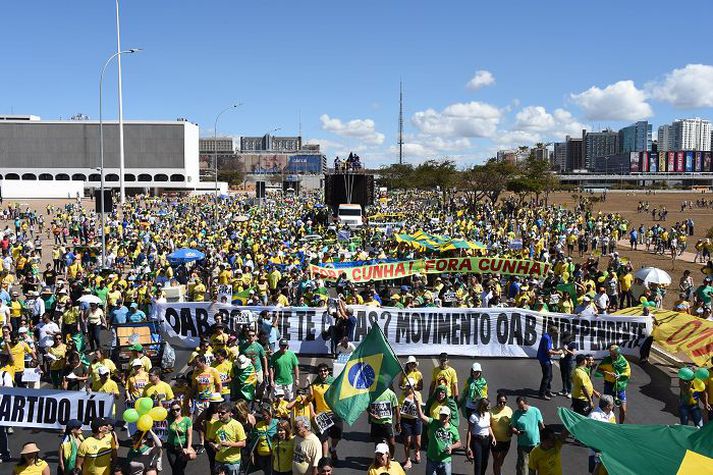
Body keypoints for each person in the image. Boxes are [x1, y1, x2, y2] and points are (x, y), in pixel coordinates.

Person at [415, 401, 461, 475]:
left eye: (445, 415)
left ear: (449, 416)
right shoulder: (433, 423)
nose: (443, 417)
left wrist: (451, 447)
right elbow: (421, 416)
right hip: (432, 460)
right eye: (442, 415)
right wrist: (417, 403)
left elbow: (459, 443)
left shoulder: (453, 429)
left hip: (446, 461)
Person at [310, 363, 342, 461]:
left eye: (325, 370)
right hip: (321, 415)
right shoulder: (314, 385)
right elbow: (310, 401)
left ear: (328, 371)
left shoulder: (334, 383)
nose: (323, 372)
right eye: (320, 371)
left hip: (334, 413)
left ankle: (332, 449)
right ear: (318, 373)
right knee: (323, 438)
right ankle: (325, 460)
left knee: (337, 436)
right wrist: (312, 413)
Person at [595, 344, 630, 423]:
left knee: (623, 410)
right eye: (610, 354)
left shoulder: (623, 361)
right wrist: (607, 373)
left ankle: (620, 426)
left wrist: (619, 375)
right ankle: (611, 424)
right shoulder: (606, 360)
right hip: (609, 385)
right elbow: (598, 370)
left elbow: (628, 372)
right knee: (609, 409)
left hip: (619, 387)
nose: (612, 356)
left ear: (618, 353)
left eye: (613, 354)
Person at [208, 402, 247, 475]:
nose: (219, 415)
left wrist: (229, 444)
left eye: (222, 413)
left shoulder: (237, 425)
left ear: (230, 413)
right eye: (218, 412)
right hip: (219, 460)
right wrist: (213, 446)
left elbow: (243, 443)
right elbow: (210, 440)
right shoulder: (215, 424)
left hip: (233, 462)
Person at [510, 397, 544, 475]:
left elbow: (541, 425)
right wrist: (517, 432)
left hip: (535, 444)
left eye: (522, 406)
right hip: (523, 445)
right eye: (519, 406)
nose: (520, 408)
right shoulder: (516, 414)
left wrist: (545, 437)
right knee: (523, 467)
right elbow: (512, 427)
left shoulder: (535, 411)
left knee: (533, 467)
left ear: (526, 403)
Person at [465, 398, 496, 475]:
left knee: (485, 463)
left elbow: (488, 427)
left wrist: (493, 437)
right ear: (482, 407)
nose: (489, 408)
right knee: (478, 464)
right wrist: (468, 446)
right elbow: (469, 431)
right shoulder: (473, 416)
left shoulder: (487, 415)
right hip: (477, 441)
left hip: (486, 440)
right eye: (487, 407)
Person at [397, 377, 422, 469]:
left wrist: (417, 402)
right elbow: (399, 409)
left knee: (418, 442)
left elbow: (420, 407)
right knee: (407, 442)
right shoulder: (403, 396)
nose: (409, 388)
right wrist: (398, 422)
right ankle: (408, 459)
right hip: (406, 420)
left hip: (416, 420)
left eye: (411, 386)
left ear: (414, 386)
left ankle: (417, 451)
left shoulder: (418, 394)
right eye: (408, 386)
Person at [588, 395, 616, 474]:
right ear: (608, 406)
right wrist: (598, 451)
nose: (613, 405)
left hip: (609, 452)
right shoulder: (594, 417)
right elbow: (589, 438)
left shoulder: (611, 414)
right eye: (612, 404)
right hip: (597, 454)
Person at [368, 387, 400, 457]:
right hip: (376, 423)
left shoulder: (391, 394)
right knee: (378, 443)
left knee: (392, 443)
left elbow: (397, 409)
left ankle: (391, 458)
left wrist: (398, 423)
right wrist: (371, 415)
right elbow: (367, 407)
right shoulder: (372, 394)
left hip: (387, 423)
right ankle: (379, 460)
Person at [166, 401, 195, 475]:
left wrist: (188, 448)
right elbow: (161, 410)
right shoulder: (170, 419)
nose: (175, 412)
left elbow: (189, 435)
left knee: (180, 468)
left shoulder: (187, 420)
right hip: (171, 448)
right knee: (175, 469)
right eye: (173, 410)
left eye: (177, 409)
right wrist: (159, 400)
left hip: (182, 449)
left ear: (181, 409)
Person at [490, 392, 513, 475]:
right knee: (496, 460)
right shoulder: (492, 411)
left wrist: (511, 430)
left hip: (506, 440)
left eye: (504, 402)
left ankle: (497, 470)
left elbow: (512, 423)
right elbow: (488, 426)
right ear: (497, 401)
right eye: (500, 402)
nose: (502, 404)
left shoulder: (509, 410)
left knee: (501, 459)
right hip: (495, 440)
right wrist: (492, 437)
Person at [252, 403, 278, 474]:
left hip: (272, 455)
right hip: (261, 455)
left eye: (265, 415)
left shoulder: (276, 423)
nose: (263, 417)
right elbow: (254, 439)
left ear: (270, 414)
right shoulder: (258, 425)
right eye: (262, 415)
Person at [536, 326, 561, 400]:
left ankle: (547, 391)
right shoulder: (546, 338)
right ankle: (542, 394)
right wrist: (558, 353)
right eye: (555, 333)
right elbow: (548, 351)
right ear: (552, 332)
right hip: (544, 359)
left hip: (547, 359)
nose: (556, 335)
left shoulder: (548, 336)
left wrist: (555, 350)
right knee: (546, 377)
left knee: (550, 376)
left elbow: (549, 348)